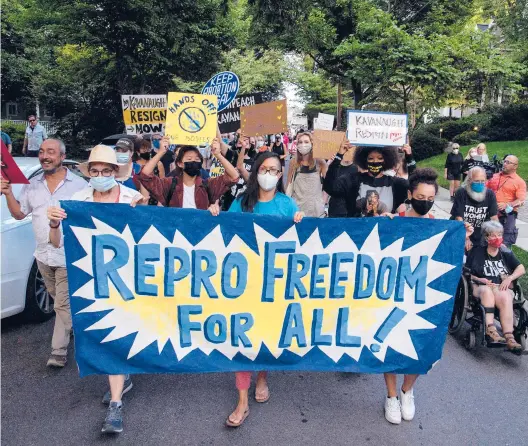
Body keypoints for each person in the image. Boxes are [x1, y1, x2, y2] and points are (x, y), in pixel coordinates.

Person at [46, 144, 145, 434]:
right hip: (91, 279)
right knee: (107, 333)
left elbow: (153, 232)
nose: (100, 175)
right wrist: (54, 223)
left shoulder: (131, 197)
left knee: (123, 329)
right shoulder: (77, 200)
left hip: (128, 278)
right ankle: (119, 391)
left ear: (116, 173)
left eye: (106, 171)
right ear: (90, 173)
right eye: (96, 171)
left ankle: (118, 393)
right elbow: (56, 243)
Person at [216, 151, 303, 427]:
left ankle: (263, 376)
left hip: (274, 284)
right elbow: (223, 232)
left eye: (274, 170)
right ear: (256, 172)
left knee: (266, 333)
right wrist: (214, 214)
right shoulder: (242, 202)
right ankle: (242, 401)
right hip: (243, 284)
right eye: (264, 168)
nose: (269, 174)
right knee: (243, 338)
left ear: (280, 175)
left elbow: (301, 245)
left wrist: (302, 221)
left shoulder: (287, 205)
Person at [382, 168, 473, 424]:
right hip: (393, 295)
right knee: (391, 345)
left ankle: (406, 391)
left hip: (425, 299)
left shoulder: (441, 228)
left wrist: (460, 237)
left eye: (431, 197)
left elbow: (454, 264)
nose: (426, 201)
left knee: (422, 347)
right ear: (410, 194)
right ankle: (390, 396)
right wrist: (383, 224)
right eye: (420, 196)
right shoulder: (394, 220)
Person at [0, 139, 87, 367]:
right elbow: (19, 214)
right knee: (58, 299)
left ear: (61, 156)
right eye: (41, 152)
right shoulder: (32, 185)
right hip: (42, 256)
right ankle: (77, 325)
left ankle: (58, 351)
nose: (45, 156)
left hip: (69, 255)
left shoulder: (79, 186)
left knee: (61, 305)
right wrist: (8, 193)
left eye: (50, 152)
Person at [466, 220, 525, 353]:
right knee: (487, 291)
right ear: (486, 238)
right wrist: (479, 278)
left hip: (499, 287)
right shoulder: (477, 252)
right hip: (480, 286)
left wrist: (509, 278)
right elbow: (466, 273)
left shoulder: (505, 253)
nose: (497, 238)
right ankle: (490, 329)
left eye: (499, 234)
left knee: (505, 295)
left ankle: (509, 336)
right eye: (493, 235)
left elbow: (521, 269)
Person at [137, 136, 239, 209]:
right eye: (189, 158)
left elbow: (234, 176)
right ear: (180, 163)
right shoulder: (169, 184)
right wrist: (161, 152)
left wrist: (218, 154)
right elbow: (145, 175)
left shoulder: (208, 185)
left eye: (197, 159)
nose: (193, 161)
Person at [323, 145, 408, 217]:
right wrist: (339, 156)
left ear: (386, 160)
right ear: (364, 160)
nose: (375, 161)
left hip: (384, 233)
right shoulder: (353, 180)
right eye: (371, 158)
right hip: (356, 232)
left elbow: (415, 188)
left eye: (380, 158)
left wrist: (410, 158)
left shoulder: (395, 183)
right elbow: (330, 187)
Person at [451, 166, 498, 249]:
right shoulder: (461, 192)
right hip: (461, 231)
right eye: (476, 181)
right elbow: (459, 217)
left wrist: (497, 236)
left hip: (480, 235)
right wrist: (465, 237)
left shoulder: (490, 194)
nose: (480, 183)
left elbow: (494, 217)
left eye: (482, 181)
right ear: (469, 180)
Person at [487, 155, 526, 247]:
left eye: (508, 162)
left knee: (504, 243)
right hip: (490, 212)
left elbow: (521, 200)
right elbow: (484, 191)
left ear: (515, 166)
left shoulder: (519, 182)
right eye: (504, 161)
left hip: (507, 215)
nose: (505, 164)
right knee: (487, 238)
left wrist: (507, 204)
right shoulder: (494, 176)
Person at [286, 132, 327, 217]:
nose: (303, 144)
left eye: (306, 142)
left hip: (316, 211)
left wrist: (322, 202)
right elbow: (288, 185)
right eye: (300, 142)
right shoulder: (293, 162)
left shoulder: (320, 162)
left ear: (312, 144)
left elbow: (329, 185)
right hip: (297, 210)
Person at [327, 143, 358, 218]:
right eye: (346, 149)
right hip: (335, 209)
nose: (348, 151)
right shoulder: (334, 165)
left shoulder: (358, 167)